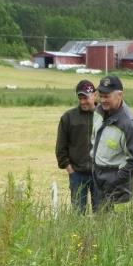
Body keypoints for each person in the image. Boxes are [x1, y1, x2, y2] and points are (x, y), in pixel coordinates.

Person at [91, 75, 133, 210]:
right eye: (101, 95)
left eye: (107, 96)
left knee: (119, 228)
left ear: (120, 95)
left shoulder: (129, 124)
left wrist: (116, 179)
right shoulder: (99, 111)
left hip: (119, 187)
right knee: (99, 224)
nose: (102, 100)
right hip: (98, 179)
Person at [55, 79, 100, 212]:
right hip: (77, 174)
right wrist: (70, 169)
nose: (82, 101)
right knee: (78, 213)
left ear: (95, 95)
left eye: (85, 97)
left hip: (99, 174)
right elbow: (61, 147)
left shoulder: (105, 115)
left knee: (102, 213)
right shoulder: (68, 117)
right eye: (80, 98)